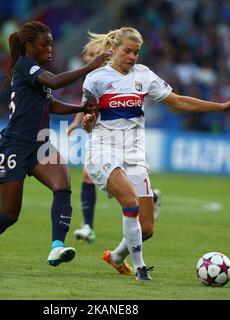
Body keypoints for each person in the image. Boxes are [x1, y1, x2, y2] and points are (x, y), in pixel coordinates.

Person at [81, 27, 230, 281]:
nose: (132, 57)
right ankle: (140, 269)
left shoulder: (144, 76)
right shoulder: (95, 79)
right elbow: (89, 116)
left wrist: (219, 107)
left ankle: (116, 257)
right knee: (130, 202)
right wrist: (88, 121)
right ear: (114, 49)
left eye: (136, 52)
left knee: (146, 229)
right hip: (104, 150)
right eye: (127, 51)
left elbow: (178, 101)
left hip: (134, 155)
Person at [0, 21, 112, 270]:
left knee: (62, 183)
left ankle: (57, 246)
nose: (50, 49)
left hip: (40, 144)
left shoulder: (37, 72)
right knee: (9, 215)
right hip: (13, 146)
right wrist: (89, 67)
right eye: (45, 45)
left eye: (52, 44)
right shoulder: (25, 66)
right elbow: (54, 82)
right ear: (29, 46)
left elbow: (51, 103)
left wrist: (81, 107)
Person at [68, 44, 163, 243]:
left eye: (95, 55)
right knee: (90, 174)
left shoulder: (115, 75)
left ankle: (91, 225)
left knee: (98, 176)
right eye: (90, 55)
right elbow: (88, 105)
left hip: (123, 141)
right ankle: (89, 226)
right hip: (102, 138)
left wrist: (80, 121)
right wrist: (80, 122)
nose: (92, 58)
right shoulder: (95, 78)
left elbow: (90, 106)